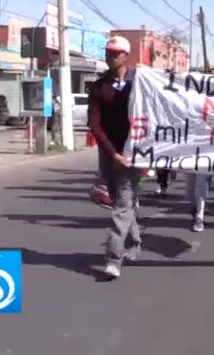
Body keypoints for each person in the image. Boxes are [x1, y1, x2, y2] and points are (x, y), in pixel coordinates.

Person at [88, 36, 141, 279]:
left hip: (134, 154)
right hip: (109, 153)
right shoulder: (99, 87)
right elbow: (95, 125)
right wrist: (112, 153)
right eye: (108, 52)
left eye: (115, 53)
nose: (110, 56)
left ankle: (113, 259)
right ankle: (135, 243)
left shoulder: (140, 84)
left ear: (125, 56)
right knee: (122, 202)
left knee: (122, 205)